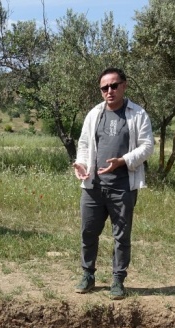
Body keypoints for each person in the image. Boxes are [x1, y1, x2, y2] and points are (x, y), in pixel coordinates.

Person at [72, 67, 154, 300]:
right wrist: (80, 163)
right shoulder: (94, 114)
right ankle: (87, 275)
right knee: (88, 232)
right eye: (104, 87)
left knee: (121, 235)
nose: (110, 90)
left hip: (122, 187)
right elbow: (85, 143)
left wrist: (123, 161)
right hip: (93, 186)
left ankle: (118, 280)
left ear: (124, 85)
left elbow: (147, 146)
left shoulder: (137, 114)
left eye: (114, 85)